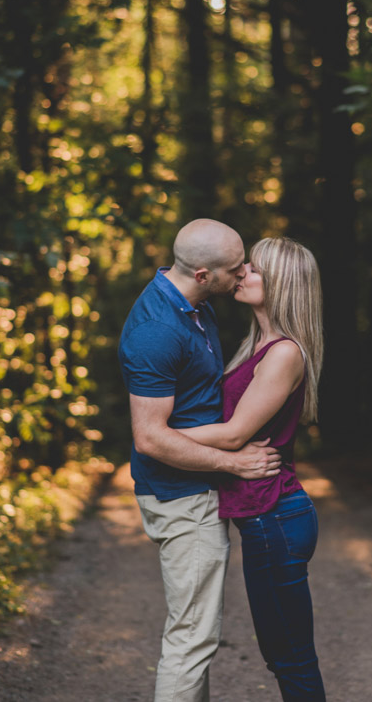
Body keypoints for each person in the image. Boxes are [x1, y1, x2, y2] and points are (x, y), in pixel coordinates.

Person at [118, 219, 282, 702]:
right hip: (181, 496)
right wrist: (235, 463)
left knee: (197, 633)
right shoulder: (157, 330)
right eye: (236, 269)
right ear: (204, 273)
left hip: (196, 487)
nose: (245, 273)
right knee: (192, 638)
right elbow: (150, 438)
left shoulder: (194, 305)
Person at [176, 236, 327, 702]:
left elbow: (234, 433)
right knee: (284, 657)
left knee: (291, 660)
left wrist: (156, 434)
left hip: (276, 517)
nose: (242, 274)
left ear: (282, 284)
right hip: (268, 517)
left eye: (254, 270)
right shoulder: (257, 343)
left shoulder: (284, 352)